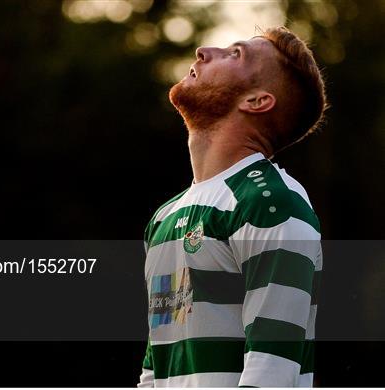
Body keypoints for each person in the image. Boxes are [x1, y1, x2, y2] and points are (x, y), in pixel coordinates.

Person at [138, 26, 326, 387]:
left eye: (234, 54)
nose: (204, 50)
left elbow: (271, 373)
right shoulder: (165, 216)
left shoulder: (272, 205)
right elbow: (156, 368)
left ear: (257, 101)